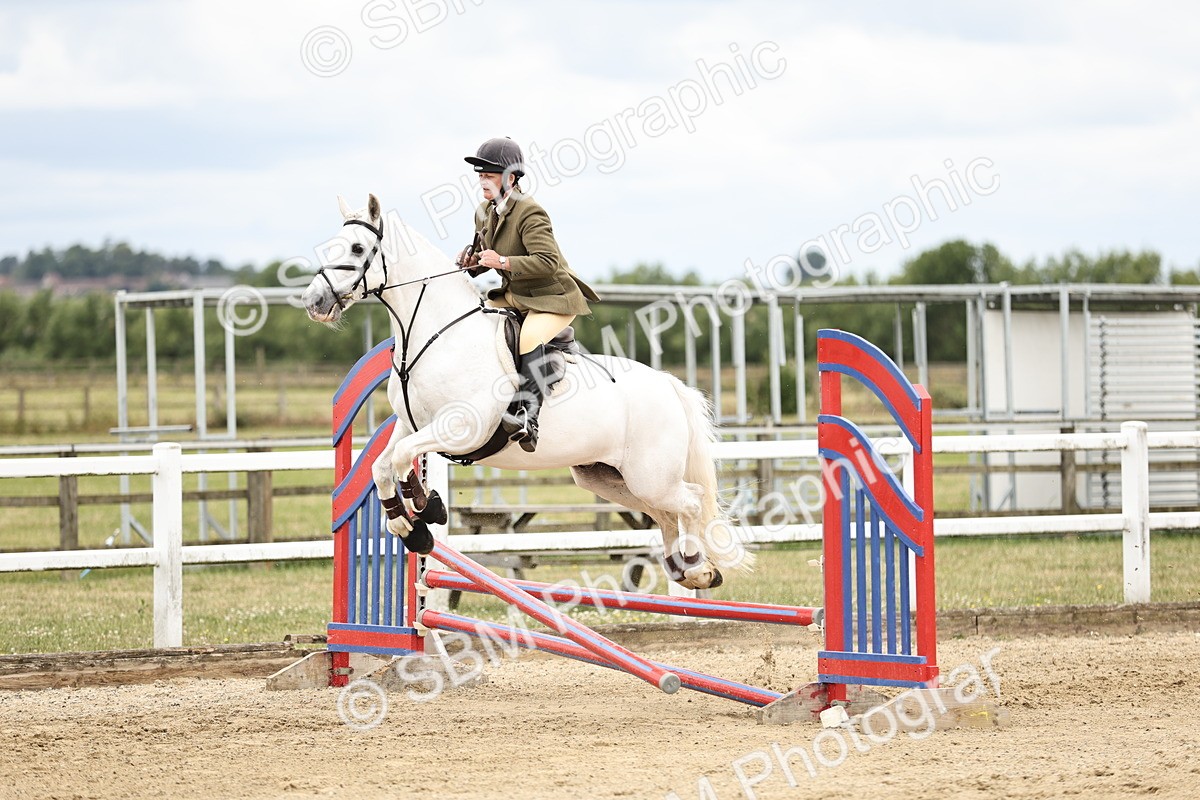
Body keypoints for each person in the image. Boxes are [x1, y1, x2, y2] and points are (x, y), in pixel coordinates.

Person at [456, 136, 600, 452]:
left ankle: (527, 416)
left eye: (489, 175)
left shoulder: (530, 212)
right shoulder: (483, 211)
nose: (482, 181)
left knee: (529, 337)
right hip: (516, 294)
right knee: (473, 317)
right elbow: (486, 256)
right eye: (480, 174)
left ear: (511, 178)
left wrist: (502, 262)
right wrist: (473, 264)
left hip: (552, 296)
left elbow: (548, 262)